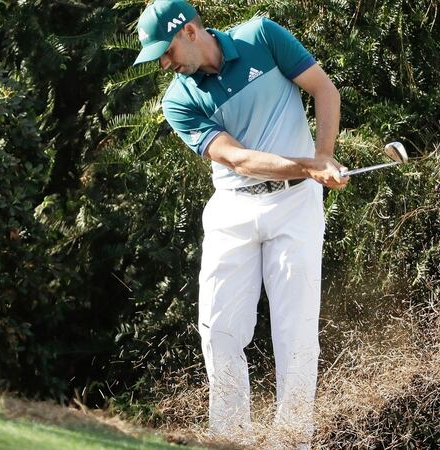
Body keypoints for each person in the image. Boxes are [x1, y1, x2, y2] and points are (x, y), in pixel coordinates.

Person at [132, 1, 349, 448]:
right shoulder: (178, 99)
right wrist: (310, 166)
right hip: (233, 208)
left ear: (189, 31)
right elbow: (238, 159)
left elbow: (324, 90)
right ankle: (229, 440)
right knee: (219, 330)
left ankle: (291, 443)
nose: (165, 64)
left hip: (295, 206)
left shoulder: (261, 37)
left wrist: (325, 153)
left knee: (295, 334)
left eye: (166, 51)